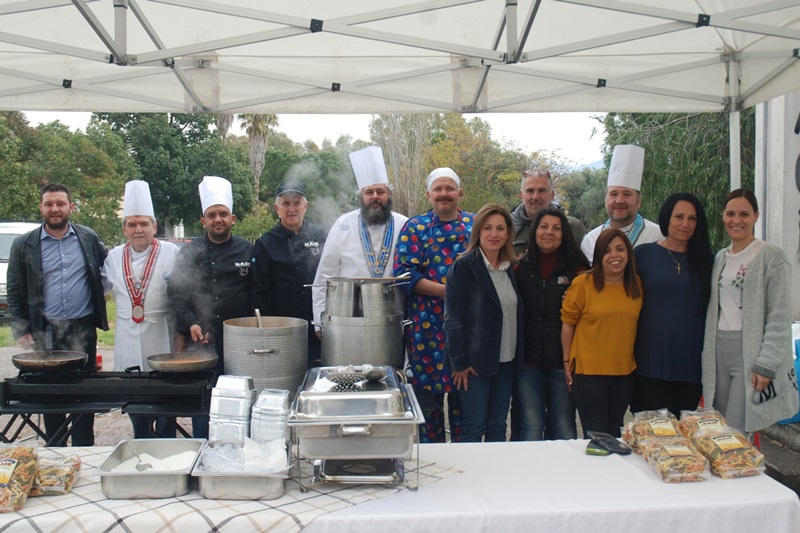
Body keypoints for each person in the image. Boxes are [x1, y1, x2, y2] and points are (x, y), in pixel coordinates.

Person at [7, 183, 108, 446]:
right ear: (41, 207)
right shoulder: (24, 244)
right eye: (49, 204)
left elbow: (107, 271)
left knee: (83, 392)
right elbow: (15, 289)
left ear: (70, 207)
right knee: (50, 395)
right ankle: (55, 448)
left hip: (82, 328)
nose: (55, 209)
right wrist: (21, 329)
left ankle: (84, 447)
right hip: (44, 330)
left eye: (60, 204)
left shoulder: (88, 238)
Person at [701, 188, 799, 435]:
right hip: (718, 351)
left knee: (735, 429)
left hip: (749, 351)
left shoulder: (772, 257)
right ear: (723, 216)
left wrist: (766, 364)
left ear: (755, 216)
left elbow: (779, 315)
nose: (737, 220)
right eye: (731, 213)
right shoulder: (720, 258)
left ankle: (739, 470)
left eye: (744, 214)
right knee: (718, 424)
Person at [393, 167, 474, 443]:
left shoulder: (476, 226)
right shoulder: (415, 227)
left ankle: (467, 462)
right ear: (429, 194)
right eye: (438, 189)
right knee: (428, 408)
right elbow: (403, 275)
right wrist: (445, 292)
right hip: (426, 329)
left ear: (460, 193)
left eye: (450, 188)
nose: (444, 194)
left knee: (467, 404)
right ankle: (432, 462)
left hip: (469, 328)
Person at [168, 175, 252, 438]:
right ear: (203, 221)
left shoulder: (248, 250)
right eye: (212, 214)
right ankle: (202, 447)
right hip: (201, 340)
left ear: (233, 219)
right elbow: (177, 294)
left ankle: (239, 447)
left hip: (240, 341)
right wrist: (191, 323)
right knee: (203, 401)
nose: (218, 219)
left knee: (239, 399)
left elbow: (256, 294)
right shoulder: (189, 253)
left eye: (223, 214)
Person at [102, 180, 179, 437]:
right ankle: (141, 437)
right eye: (132, 224)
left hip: (161, 333)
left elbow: (184, 293)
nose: (138, 229)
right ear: (124, 228)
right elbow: (99, 289)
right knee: (133, 394)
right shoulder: (113, 257)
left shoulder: (171, 252)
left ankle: (167, 441)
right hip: (127, 333)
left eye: (144, 223)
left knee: (165, 394)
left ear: (154, 227)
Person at [444, 203, 523, 443]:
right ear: (478, 231)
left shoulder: (511, 268)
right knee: (474, 426)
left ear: (508, 233)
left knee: (498, 425)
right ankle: (470, 478)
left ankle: (495, 477)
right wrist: (459, 363)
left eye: (500, 228)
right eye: (488, 228)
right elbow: (452, 319)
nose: (494, 234)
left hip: (506, 361)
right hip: (474, 364)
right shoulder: (464, 267)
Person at [631, 193, 713, 418]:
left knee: (683, 440)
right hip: (648, 361)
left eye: (692, 218)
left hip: (690, 364)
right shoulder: (643, 254)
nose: (685, 224)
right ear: (667, 217)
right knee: (650, 438)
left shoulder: (708, 261)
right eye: (679, 216)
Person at [515, 206, 589, 440]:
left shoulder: (579, 271)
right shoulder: (520, 268)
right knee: (532, 424)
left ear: (565, 233)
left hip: (563, 362)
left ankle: (567, 476)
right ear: (535, 231)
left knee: (564, 424)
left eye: (556, 228)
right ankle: (531, 476)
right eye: (544, 226)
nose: (549, 232)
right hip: (529, 362)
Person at [312, 146, 408, 325]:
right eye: (369, 192)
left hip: (394, 317)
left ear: (389, 194)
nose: (375, 197)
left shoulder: (405, 224)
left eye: (380, 192)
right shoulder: (343, 224)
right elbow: (325, 275)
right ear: (361, 196)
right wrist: (319, 320)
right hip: (349, 318)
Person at [561, 228, 642, 437]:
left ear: (628, 254)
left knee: (614, 432)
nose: (614, 255)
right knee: (596, 435)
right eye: (607, 251)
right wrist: (566, 362)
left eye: (620, 249)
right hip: (589, 374)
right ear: (599, 256)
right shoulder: (583, 284)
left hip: (623, 373)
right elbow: (568, 325)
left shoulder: (636, 285)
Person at [251, 181, 327, 366]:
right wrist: (268, 331)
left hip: (320, 330)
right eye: (285, 203)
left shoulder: (322, 236)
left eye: (297, 202)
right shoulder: (265, 244)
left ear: (305, 206)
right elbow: (258, 293)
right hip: (283, 331)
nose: (291, 208)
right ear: (277, 208)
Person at [580, 145, 662, 261]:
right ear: (605, 200)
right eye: (613, 194)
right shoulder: (590, 240)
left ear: (638, 201)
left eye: (627, 194)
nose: (619, 201)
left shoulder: (658, 237)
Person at [511, 168, 586, 256]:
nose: (535, 197)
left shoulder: (573, 227)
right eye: (530, 191)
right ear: (521, 195)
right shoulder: (506, 227)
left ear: (552, 195)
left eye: (542, 191)